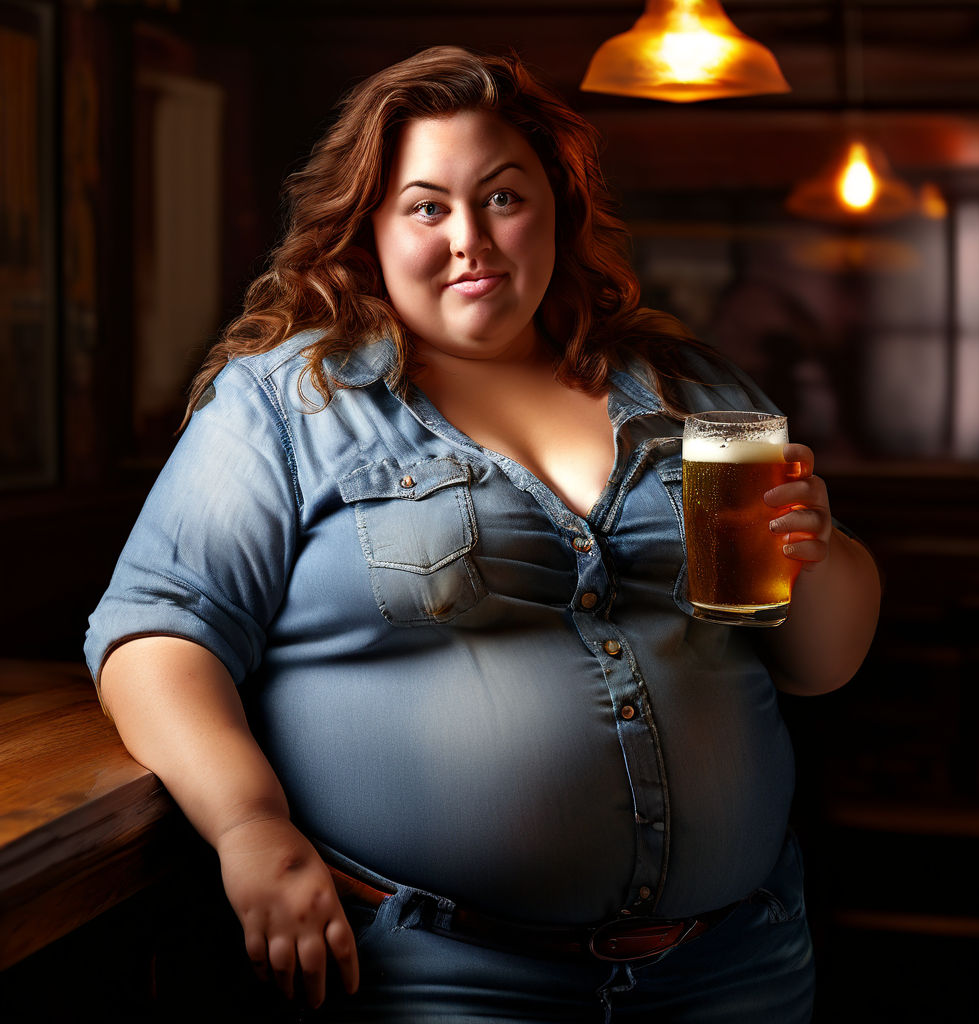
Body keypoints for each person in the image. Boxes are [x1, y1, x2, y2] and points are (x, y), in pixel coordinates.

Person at [85, 45, 881, 1023]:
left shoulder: (692, 391)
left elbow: (819, 663)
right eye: (426, 206)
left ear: (557, 206)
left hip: (736, 970)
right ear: (369, 228)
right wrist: (252, 828)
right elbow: (155, 636)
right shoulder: (288, 403)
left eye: (503, 197)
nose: (471, 238)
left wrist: (821, 552)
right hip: (442, 983)